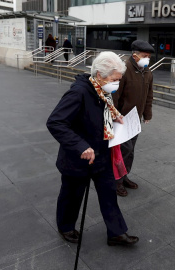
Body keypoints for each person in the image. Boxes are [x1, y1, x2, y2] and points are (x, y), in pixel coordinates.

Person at [46, 51, 139, 246]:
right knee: (72, 196)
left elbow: (101, 111)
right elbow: (55, 122)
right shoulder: (78, 92)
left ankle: (116, 232)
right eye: (115, 80)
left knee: (108, 193)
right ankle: (66, 227)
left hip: (102, 154)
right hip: (79, 158)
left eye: (119, 80)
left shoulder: (102, 91)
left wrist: (115, 116)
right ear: (99, 75)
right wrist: (80, 145)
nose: (117, 84)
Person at [113, 40, 155, 197]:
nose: (147, 59)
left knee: (130, 152)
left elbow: (149, 95)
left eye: (149, 57)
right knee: (123, 151)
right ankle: (115, 182)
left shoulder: (147, 72)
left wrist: (147, 114)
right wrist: (115, 115)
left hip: (135, 119)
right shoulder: (124, 70)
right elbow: (115, 95)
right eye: (145, 56)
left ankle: (124, 177)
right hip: (122, 118)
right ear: (135, 55)